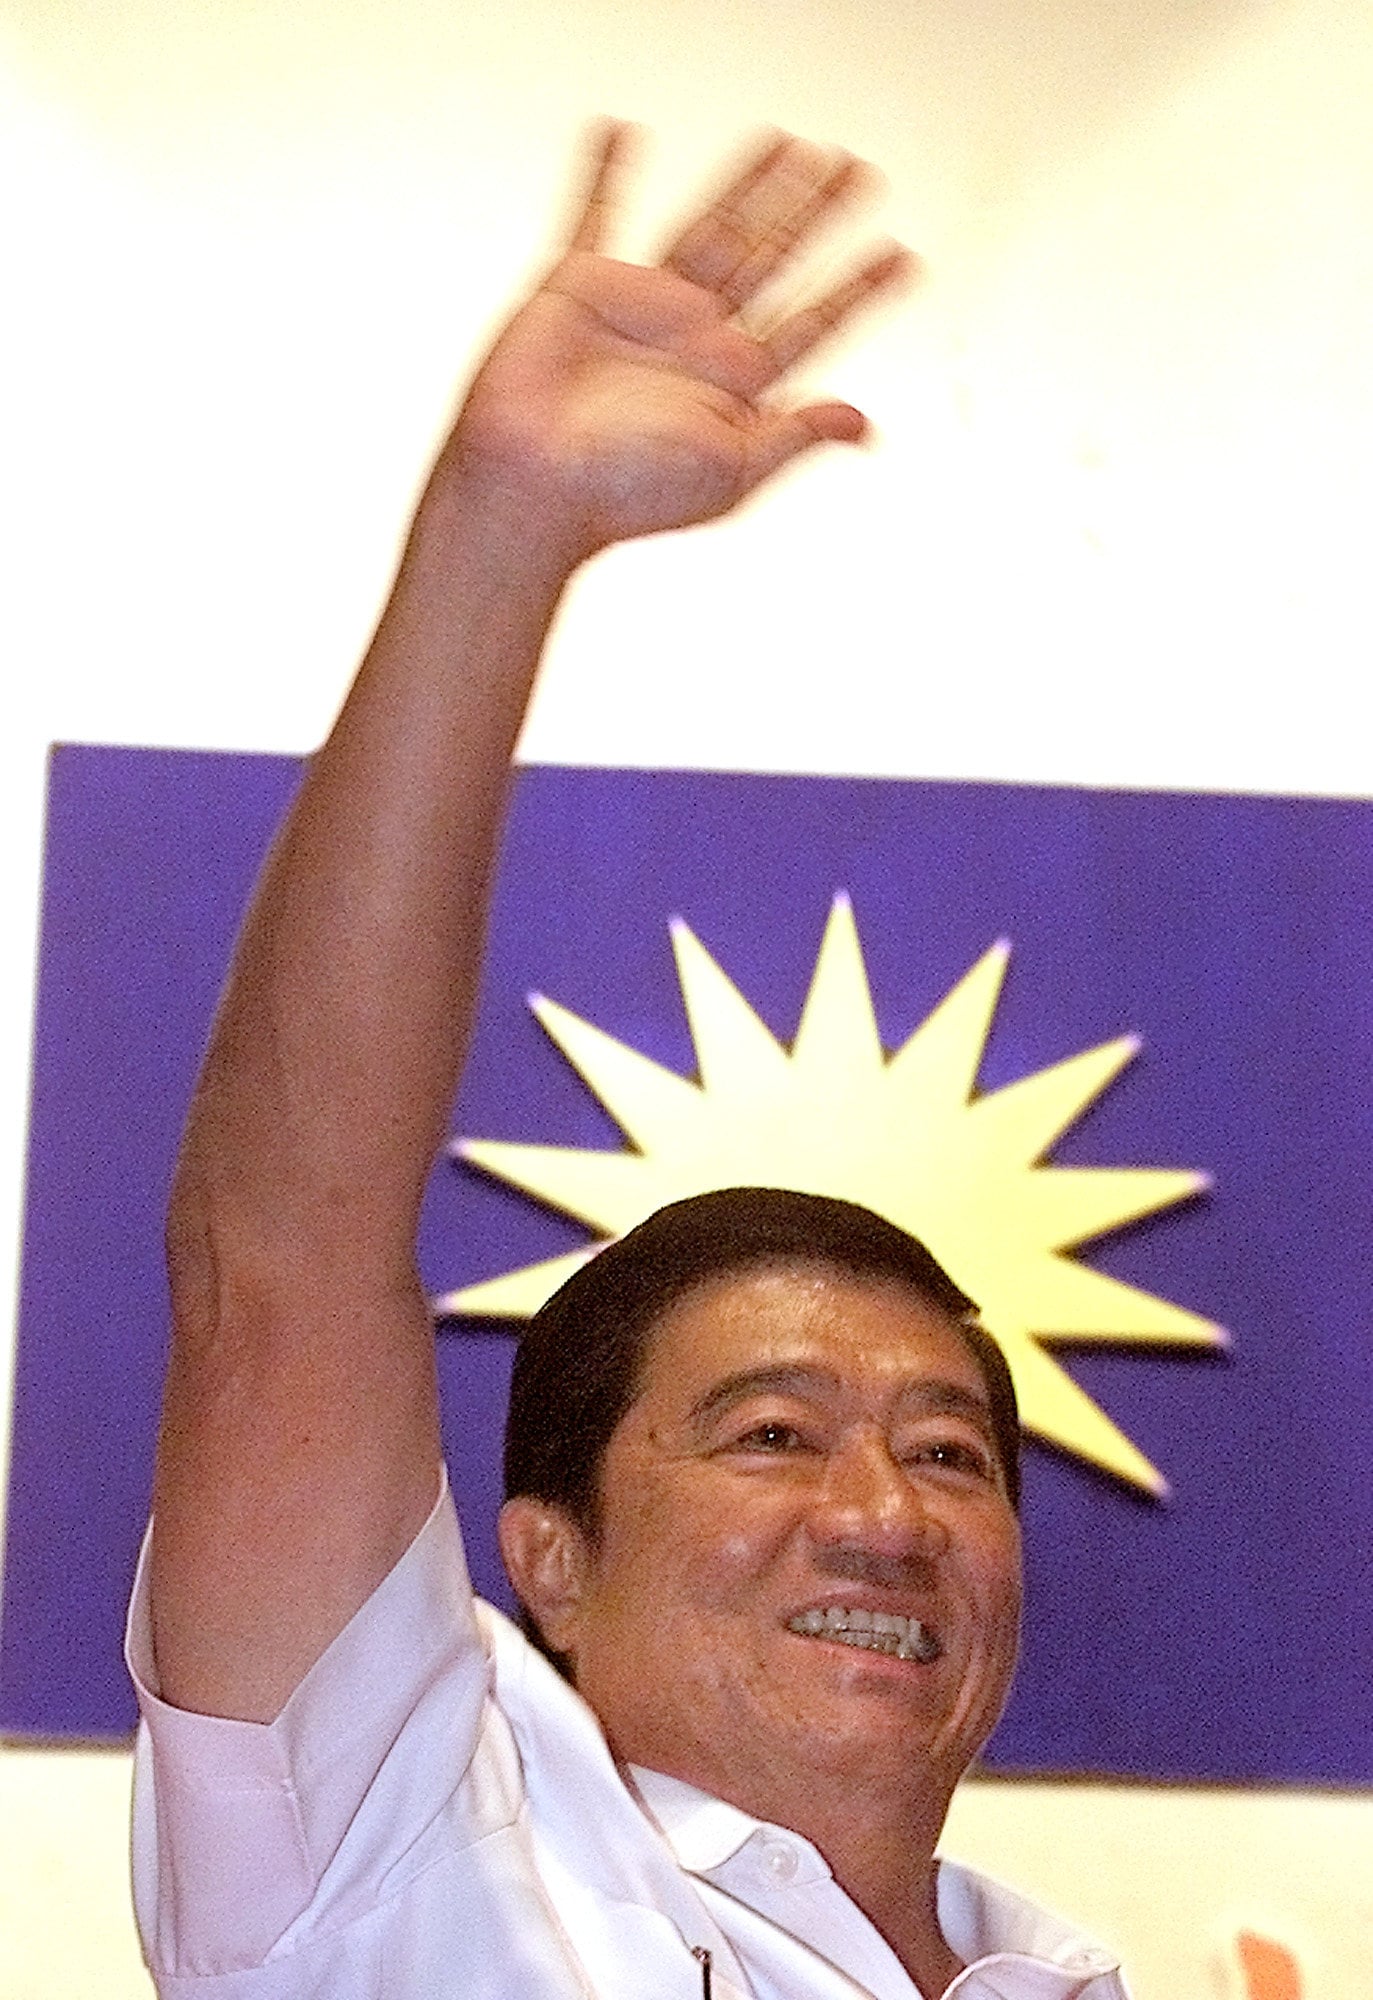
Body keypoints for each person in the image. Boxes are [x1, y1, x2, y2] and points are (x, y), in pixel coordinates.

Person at [128, 125, 1131, 1998]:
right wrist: (497, 538)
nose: (885, 1516)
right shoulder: (399, 1871)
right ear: (551, 1563)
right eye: (769, 1433)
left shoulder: (1073, 1978)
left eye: (949, 1452)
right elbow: (276, 1265)